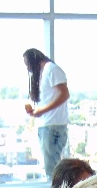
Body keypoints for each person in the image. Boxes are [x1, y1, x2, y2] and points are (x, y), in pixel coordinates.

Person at [23, 48, 70, 179]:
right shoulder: (44, 73)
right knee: (50, 166)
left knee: (52, 169)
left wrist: (42, 111)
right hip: (47, 125)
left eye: (27, 64)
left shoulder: (51, 69)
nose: (27, 68)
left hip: (53, 126)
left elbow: (64, 94)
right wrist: (36, 112)